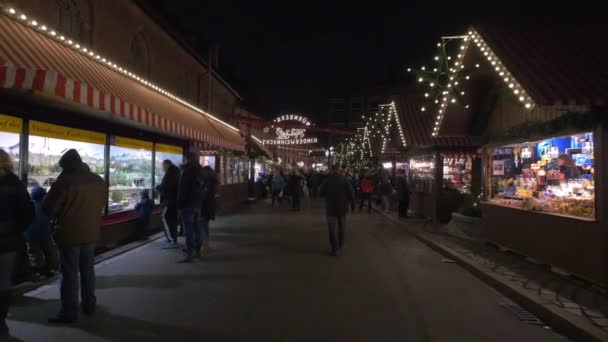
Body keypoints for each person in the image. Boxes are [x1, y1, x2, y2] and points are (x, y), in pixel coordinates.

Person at [43, 149, 106, 324]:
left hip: (69, 234)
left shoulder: (64, 181)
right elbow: (101, 204)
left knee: (70, 274)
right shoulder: (98, 180)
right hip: (91, 233)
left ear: (66, 165)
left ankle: (69, 313)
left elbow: (48, 208)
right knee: (88, 270)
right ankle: (89, 306)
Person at [0, 149, 34, 336]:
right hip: (8, 243)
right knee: (3, 284)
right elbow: (28, 213)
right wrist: (14, 230)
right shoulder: (14, 182)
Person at [320, 165, 355, 256]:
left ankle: (335, 249)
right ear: (338, 170)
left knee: (332, 229)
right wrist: (352, 204)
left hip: (331, 208)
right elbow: (350, 192)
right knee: (341, 227)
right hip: (342, 208)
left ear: (331, 170)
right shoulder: (344, 179)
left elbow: (321, 192)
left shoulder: (327, 180)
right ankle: (340, 245)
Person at [25, 186, 58, 279]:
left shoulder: (28, 206)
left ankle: (38, 272)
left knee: (34, 254)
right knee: (49, 252)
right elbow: (52, 218)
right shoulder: (46, 207)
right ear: (44, 196)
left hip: (30, 236)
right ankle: (52, 269)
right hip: (45, 234)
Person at [177, 152, 205, 263]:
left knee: (188, 229)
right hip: (197, 203)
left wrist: (179, 205)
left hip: (187, 204)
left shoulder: (187, 171)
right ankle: (198, 251)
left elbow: (183, 190)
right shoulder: (200, 170)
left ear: (186, 159)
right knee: (197, 227)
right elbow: (202, 186)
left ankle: (189, 254)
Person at [156, 160, 180, 248]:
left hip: (168, 202)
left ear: (167, 165)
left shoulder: (170, 174)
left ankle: (172, 241)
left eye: (163, 166)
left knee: (166, 219)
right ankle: (172, 239)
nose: (162, 168)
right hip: (174, 202)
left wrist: (158, 188)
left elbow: (167, 189)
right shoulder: (177, 172)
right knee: (172, 220)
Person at [200, 166, 218, 255]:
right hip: (209, 206)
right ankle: (206, 244)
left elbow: (204, 195)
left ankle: (205, 245)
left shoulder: (207, 182)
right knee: (205, 224)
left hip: (204, 206)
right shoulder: (213, 180)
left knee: (202, 224)